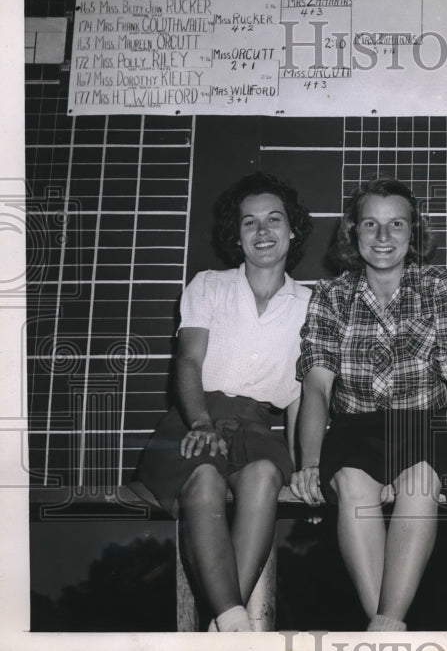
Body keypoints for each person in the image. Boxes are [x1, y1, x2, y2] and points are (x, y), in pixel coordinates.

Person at [291, 177, 447, 632]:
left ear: (414, 232)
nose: (383, 236)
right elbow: (316, 387)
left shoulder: (440, 284)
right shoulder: (331, 295)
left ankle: (382, 627)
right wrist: (310, 462)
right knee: (353, 485)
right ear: (353, 232)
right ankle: (388, 627)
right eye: (370, 224)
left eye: (396, 224)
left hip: (425, 424)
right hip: (355, 427)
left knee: (417, 484)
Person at [135, 172, 313, 631]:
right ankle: (234, 622)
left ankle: (221, 622)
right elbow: (189, 362)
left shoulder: (311, 304)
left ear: (292, 229)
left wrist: (303, 464)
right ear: (236, 235)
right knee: (206, 476)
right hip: (193, 420)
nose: (263, 232)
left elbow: (302, 397)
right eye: (249, 222)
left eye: (274, 220)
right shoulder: (209, 285)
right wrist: (199, 422)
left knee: (265, 476)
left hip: (257, 431)